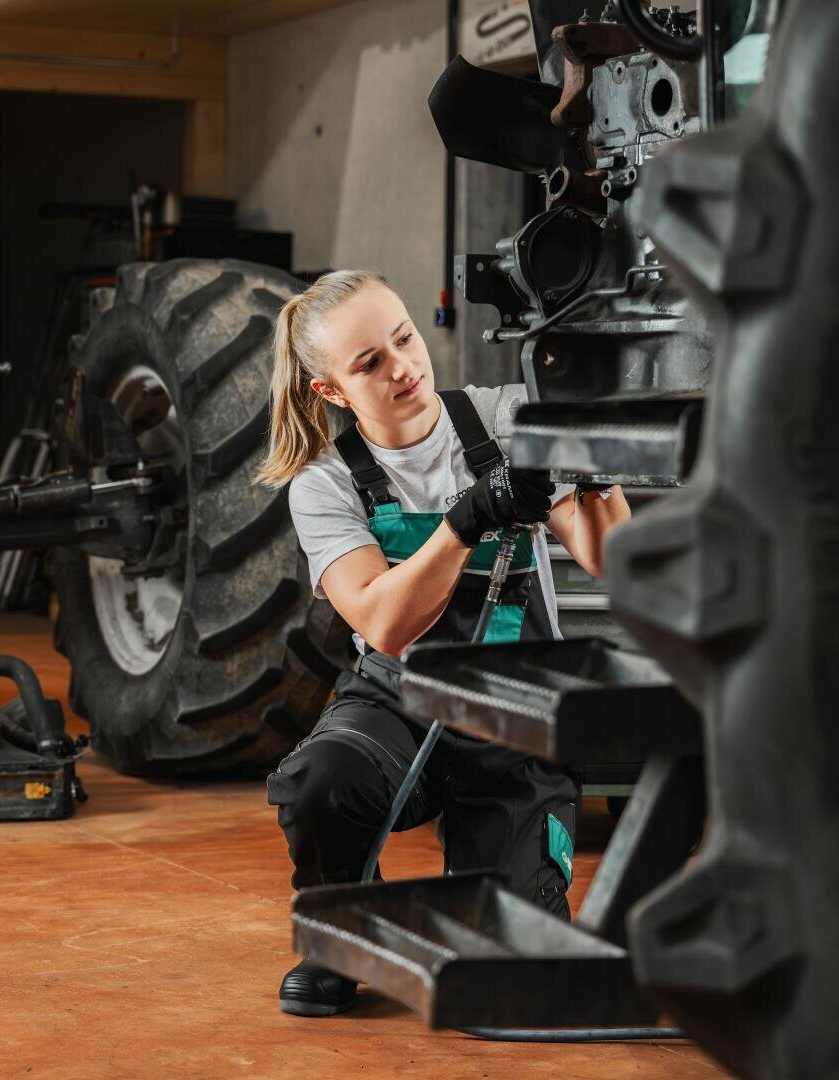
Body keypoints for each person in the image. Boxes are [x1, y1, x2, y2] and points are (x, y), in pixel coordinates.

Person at [257, 270, 631, 1017]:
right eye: (368, 363)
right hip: (400, 699)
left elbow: (610, 559)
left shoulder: (505, 419)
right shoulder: (325, 485)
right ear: (331, 391)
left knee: (517, 969)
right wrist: (467, 519)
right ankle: (342, 937)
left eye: (404, 337)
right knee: (321, 780)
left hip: (517, 705)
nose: (403, 366)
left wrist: (595, 470)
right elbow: (381, 621)